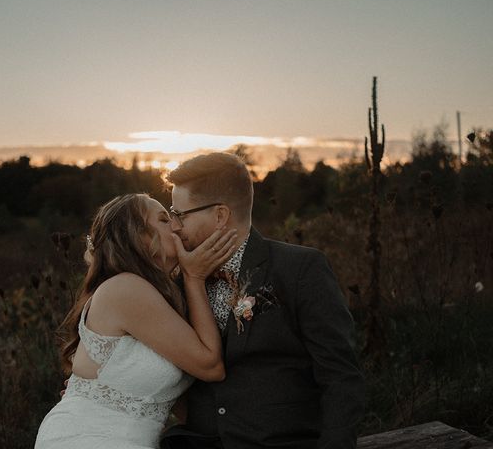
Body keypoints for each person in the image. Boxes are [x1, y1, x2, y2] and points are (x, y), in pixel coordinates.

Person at [161, 152, 365, 449]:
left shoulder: (299, 269)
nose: (175, 227)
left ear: (220, 215)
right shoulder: (178, 281)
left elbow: (341, 377)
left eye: (181, 215)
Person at [35, 193, 238, 449]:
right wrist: (194, 277)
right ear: (138, 235)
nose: (176, 226)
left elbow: (173, 401)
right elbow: (210, 365)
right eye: (164, 220)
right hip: (85, 437)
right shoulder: (126, 288)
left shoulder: (157, 296)